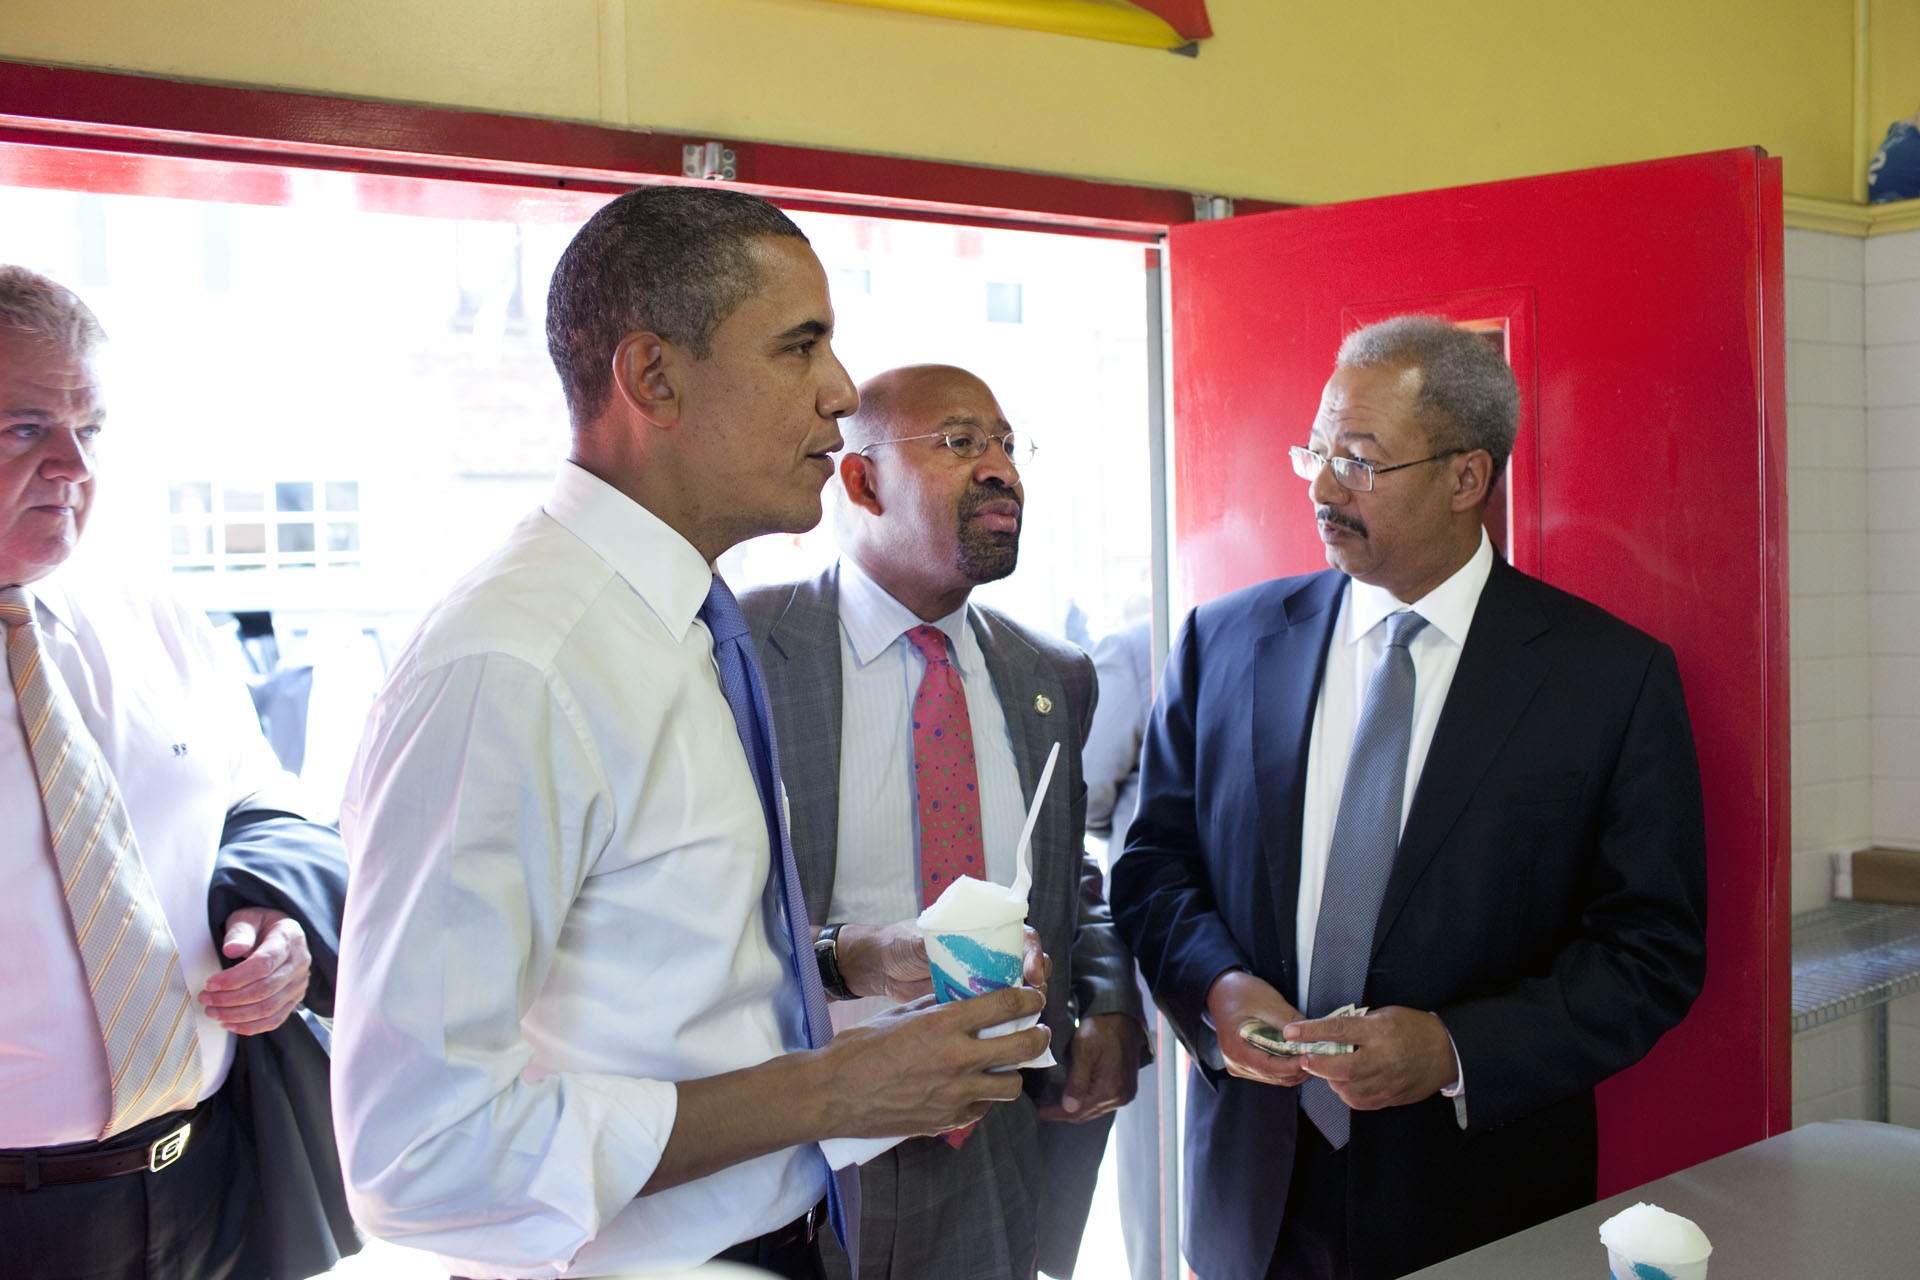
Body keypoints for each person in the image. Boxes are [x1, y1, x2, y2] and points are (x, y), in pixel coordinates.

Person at [332, 192, 1052, 1280]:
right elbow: (419, 1152)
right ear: (655, 378)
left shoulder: (682, 624)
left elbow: (642, 958)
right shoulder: (516, 663)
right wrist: (832, 1089)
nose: (842, 391)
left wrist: (850, 960)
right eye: (799, 345)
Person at [1109, 316, 1708, 1280]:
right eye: (1315, 450)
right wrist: (1214, 987)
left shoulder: (1610, 678)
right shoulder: (1222, 645)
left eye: (1358, 461)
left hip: (1480, 1195)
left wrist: (1451, 1048)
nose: (1319, 487)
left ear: (1466, 478)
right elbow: (1152, 866)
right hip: (1253, 1193)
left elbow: (1651, 952)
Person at [742, 364, 1145, 1280]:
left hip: (1000, 1138)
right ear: (862, 480)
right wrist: (846, 950)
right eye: (962, 442)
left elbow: (1067, 880)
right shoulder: (744, 657)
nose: (1002, 468)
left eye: (1008, 443)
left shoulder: (1053, 676)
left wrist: (1110, 1002)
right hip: (804, 1145)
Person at [0, 266, 352, 1280]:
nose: (72, 466)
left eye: (91, 430)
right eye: (26, 427)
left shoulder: (154, 618)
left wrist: (280, 923)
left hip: (210, 1182)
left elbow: (263, 799)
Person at [1080, 616, 1165, 1280]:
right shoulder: (1133, 655)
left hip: (1172, 961)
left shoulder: (1142, 650)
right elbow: (1078, 800)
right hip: (1150, 958)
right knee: (1157, 1179)